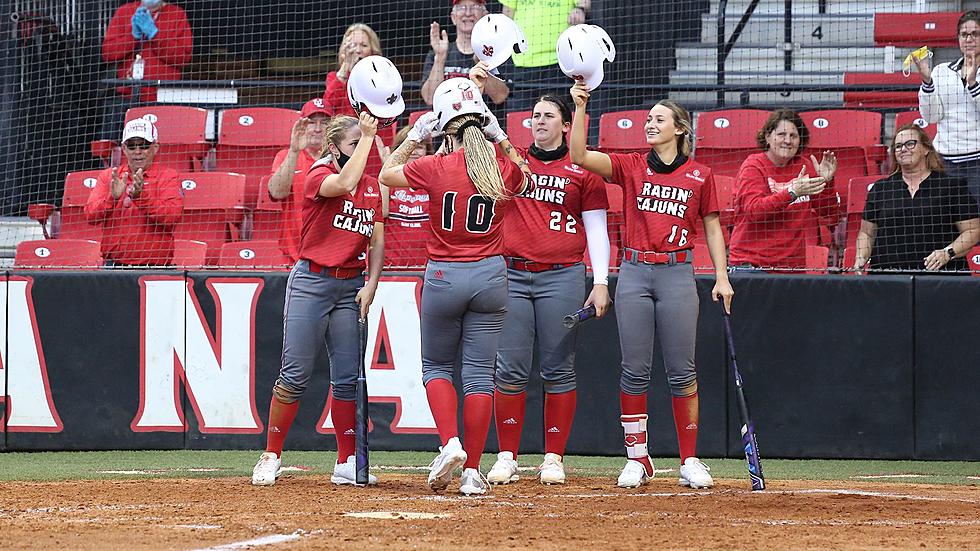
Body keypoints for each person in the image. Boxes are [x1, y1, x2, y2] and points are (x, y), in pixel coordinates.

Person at [568, 82, 734, 490]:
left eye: (659, 119)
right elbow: (578, 155)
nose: (649, 124)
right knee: (634, 370)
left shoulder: (701, 175)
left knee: (682, 370)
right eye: (648, 120)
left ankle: (690, 460)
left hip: (678, 272)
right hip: (634, 272)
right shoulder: (630, 165)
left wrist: (722, 276)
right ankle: (636, 458)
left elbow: (712, 228)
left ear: (680, 128)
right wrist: (581, 107)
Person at [379, 77, 530, 496]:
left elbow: (385, 174)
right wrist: (502, 139)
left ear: (445, 124)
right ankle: (473, 473)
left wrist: (415, 135)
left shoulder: (434, 166)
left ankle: (450, 443)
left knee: (437, 367)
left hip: (444, 275)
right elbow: (530, 178)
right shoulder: (501, 167)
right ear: (482, 119)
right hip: (491, 276)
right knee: (480, 377)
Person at [251, 113, 386, 487]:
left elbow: (376, 240)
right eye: (352, 143)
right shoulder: (318, 175)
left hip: (350, 286)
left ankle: (346, 462)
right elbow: (344, 181)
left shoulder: (375, 188)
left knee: (346, 379)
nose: (360, 148)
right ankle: (271, 455)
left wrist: (372, 283)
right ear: (333, 147)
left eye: (363, 142)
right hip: (312, 280)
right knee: (294, 375)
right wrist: (370, 135)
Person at [485, 94, 610, 486]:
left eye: (548, 116)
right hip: (512, 274)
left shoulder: (583, 170)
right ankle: (507, 455)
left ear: (565, 125)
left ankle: (553, 457)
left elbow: (597, 230)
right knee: (509, 368)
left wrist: (601, 281)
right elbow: (482, 128)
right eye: (535, 116)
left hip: (563, 275)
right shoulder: (512, 160)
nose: (539, 121)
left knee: (558, 368)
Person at [853, 124, 980, 273]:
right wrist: (860, 258)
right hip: (887, 279)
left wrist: (947, 253)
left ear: (926, 149)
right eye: (898, 146)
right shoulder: (880, 188)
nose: (903, 149)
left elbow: (973, 230)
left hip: (941, 279)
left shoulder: (952, 186)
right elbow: (867, 233)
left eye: (910, 143)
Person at [727, 109, 839, 271]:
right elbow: (754, 210)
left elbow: (830, 215)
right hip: (752, 265)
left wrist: (827, 182)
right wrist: (792, 193)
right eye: (781, 135)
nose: (787, 141)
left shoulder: (805, 166)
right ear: (768, 137)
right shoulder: (753, 166)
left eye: (793, 136)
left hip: (792, 267)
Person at [84, 119, 183, 267]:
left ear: (155, 147)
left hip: (155, 269)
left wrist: (141, 197)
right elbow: (90, 216)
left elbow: (172, 216)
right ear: (123, 148)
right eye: (131, 146)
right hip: (113, 267)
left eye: (143, 145)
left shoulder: (168, 176)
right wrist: (112, 198)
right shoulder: (109, 176)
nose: (137, 152)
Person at [916, 11, 980, 206]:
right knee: (947, 224)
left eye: (975, 34)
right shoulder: (942, 71)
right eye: (964, 34)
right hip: (946, 162)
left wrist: (972, 84)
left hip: (978, 162)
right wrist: (927, 82)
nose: (969, 39)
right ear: (958, 38)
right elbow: (931, 116)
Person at [322, 23, 393, 179]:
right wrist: (346, 67)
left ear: (373, 51)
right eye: (352, 45)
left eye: (363, 45)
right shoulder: (335, 77)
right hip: (344, 145)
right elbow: (327, 107)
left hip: (373, 143)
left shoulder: (383, 79)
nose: (358, 50)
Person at [266, 98, 331, 263]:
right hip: (294, 257)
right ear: (302, 126)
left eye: (324, 123)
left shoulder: (337, 159)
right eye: (311, 122)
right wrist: (294, 150)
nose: (317, 129)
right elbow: (276, 192)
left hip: (330, 255)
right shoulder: (286, 156)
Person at [500, 0, 591, 106]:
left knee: (557, 114)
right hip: (523, 61)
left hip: (559, 61)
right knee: (524, 119)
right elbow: (507, 14)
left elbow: (584, 2)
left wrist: (580, 10)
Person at [420, 0, 510, 107]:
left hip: (482, 120)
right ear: (453, 17)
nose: (468, 13)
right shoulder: (438, 52)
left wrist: (481, 62)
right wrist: (440, 58)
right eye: (461, 8)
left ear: (485, 16)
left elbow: (500, 97)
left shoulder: (497, 54)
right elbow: (429, 99)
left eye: (475, 7)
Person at [101, 0, 192, 102]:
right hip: (128, 96)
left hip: (165, 97)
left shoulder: (177, 14)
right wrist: (132, 37)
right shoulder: (125, 11)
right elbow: (107, 54)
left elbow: (184, 58)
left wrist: (155, 35)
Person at [383, 126, 434, 268]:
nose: (414, 151)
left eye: (420, 147)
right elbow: (382, 212)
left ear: (427, 152)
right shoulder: (386, 183)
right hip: (391, 269)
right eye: (408, 146)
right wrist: (385, 166)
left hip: (426, 269)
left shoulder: (434, 181)